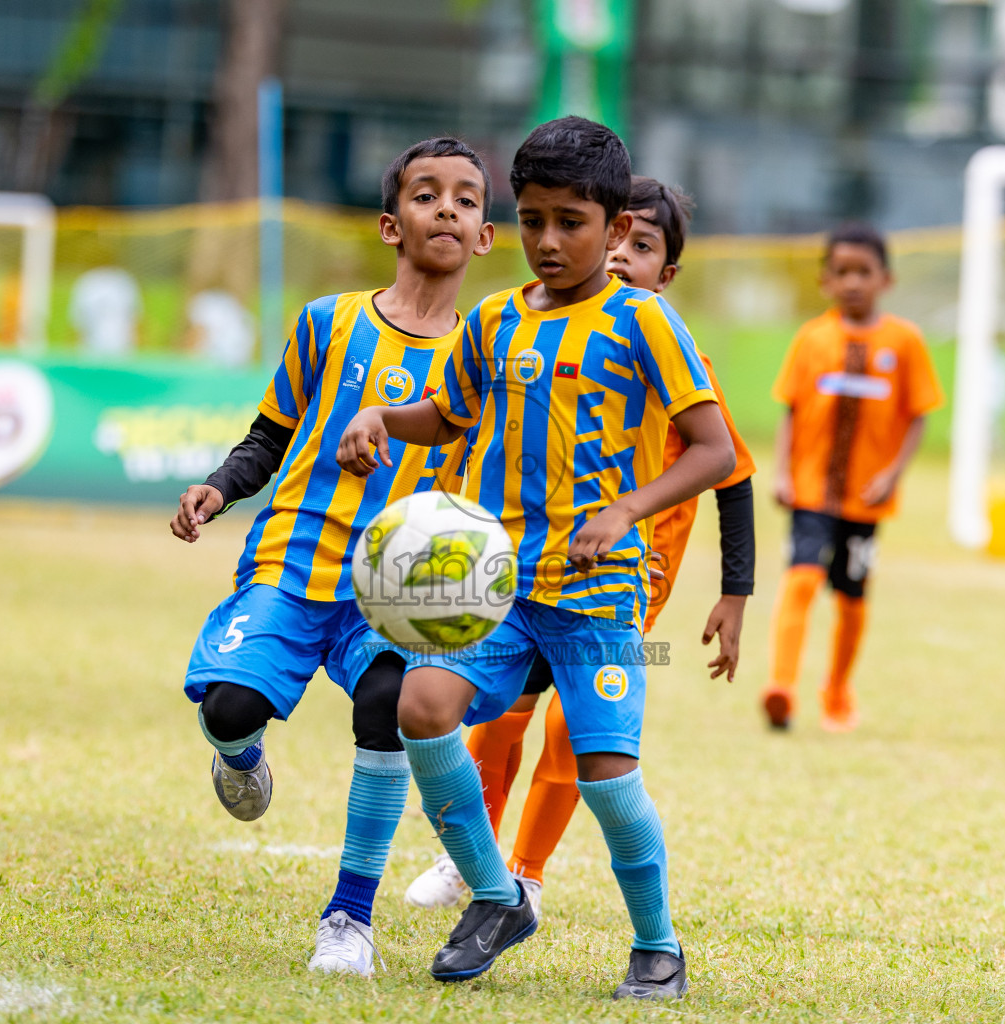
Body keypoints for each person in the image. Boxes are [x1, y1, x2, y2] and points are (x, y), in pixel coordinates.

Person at [336, 117, 736, 999]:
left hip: (598, 591)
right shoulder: (494, 319)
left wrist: (626, 509)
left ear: (615, 226)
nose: (549, 242)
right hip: (499, 585)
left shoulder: (645, 320)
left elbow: (714, 451)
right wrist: (380, 415)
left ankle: (657, 946)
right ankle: (496, 895)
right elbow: (446, 414)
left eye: (571, 223)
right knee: (421, 706)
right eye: (533, 221)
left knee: (606, 777)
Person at [168, 138, 494, 976]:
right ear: (391, 224)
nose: (447, 209)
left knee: (386, 705)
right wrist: (218, 488)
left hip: (394, 585)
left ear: (486, 235)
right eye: (427, 195)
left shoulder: (486, 359)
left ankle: (349, 918)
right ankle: (238, 755)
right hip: (291, 559)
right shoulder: (328, 321)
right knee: (229, 708)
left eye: (466, 199)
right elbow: (268, 435)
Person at [402, 176, 758, 914]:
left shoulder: (670, 348)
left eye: (643, 246)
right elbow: (474, 424)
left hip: (625, 580)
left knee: (575, 732)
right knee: (497, 716)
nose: (623, 257)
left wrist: (734, 593)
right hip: (526, 569)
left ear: (667, 272)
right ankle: (472, 861)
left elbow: (731, 472)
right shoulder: (519, 322)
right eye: (619, 241)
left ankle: (528, 873)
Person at [762, 223, 943, 732]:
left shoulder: (904, 342)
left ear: (886, 279)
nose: (853, 282)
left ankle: (838, 689)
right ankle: (781, 687)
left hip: (865, 498)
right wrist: (782, 472)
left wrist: (892, 474)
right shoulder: (812, 338)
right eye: (842, 272)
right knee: (801, 579)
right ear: (826, 280)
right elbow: (791, 409)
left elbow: (920, 414)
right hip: (811, 491)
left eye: (864, 272)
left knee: (852, 598)